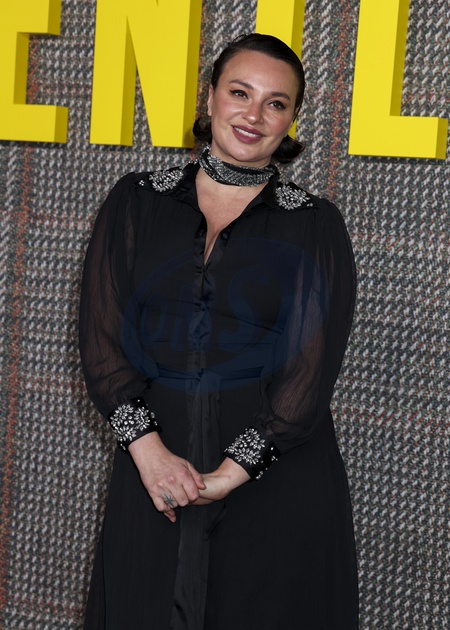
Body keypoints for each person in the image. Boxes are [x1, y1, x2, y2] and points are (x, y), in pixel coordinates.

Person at [79, 33, 358, 630]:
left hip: (273, 485)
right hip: (153, 476)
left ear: (291, 119)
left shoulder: (315, 225)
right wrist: (150, 455)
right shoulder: (135, 202)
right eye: (240, 93)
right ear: (210, 98)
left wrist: (230, 474)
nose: (254, 115)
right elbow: (102, 344)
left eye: (276, 103)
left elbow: (309, 375)